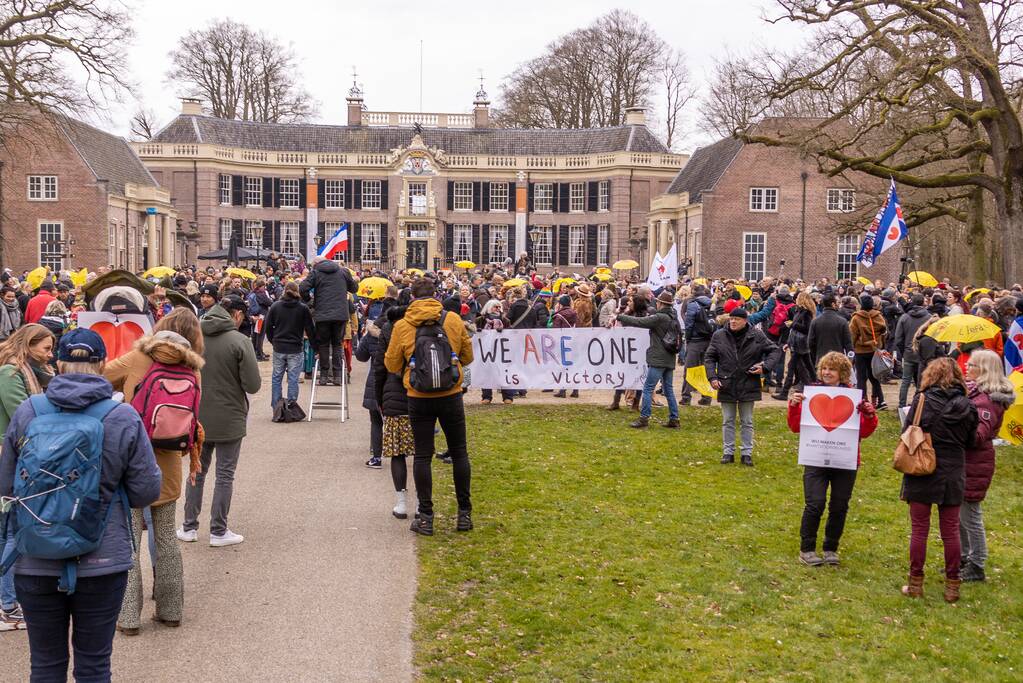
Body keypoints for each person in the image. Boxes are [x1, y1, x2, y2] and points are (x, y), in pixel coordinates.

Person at [0, 329, 161, 680]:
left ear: (58, 362)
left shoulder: (30, 411)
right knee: (93, 663)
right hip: (101, 557)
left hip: (36, 557)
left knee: (45, 663)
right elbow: (146, 490)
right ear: (102, 364)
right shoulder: (122, 417)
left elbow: (6, 485)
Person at [103, 309, 204, 635]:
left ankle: (129, 617)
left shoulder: (138, 358)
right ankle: (171, 610)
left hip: (131, 460)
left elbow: (101, 375)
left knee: (128, 541)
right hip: (170, 461)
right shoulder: (193, 368)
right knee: (166, 539)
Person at [384, 278, 474, 536]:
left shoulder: (402, 325)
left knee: (423, 456)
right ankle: (464, 514)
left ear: (412, 297)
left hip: (418, 396)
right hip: (451, 394)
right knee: (459, 453)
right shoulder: (453, 320)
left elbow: (391, 364)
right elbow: (468, 356)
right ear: (436, 295)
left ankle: (426, 516)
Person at [179, 296, 261, 547]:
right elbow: (252, 385)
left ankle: (189, 526)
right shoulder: (239, 341)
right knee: (225, 475)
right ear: (236, 314)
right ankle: (218, 530)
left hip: (197, 413)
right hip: (230, 415)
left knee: (196, 472)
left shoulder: (193, 339)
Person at [787, 352, 878, 566]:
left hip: (845, 459)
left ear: (843, 373)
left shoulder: (854, 397)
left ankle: (831, 547)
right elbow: (794, 427)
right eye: (824, 368)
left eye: (832, 369)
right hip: (815, 457)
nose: (827, 372)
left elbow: (864, 433)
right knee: (815, 504)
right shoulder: (810, 394)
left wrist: (869, 415)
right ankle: (807, 548)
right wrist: (793, 406)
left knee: (839, 505)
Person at [900, 358, 978, 602]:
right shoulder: (968, 406)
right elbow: (971, 440)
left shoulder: (922, 400)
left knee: (920, 529)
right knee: (951, 531)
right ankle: (953, 586)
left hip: (922, 466)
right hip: (953, 470)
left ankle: (915, 583)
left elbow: (907, 431)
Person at [0, 324, 54, 631]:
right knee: (11, 532)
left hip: (15, 457)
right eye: (45, 348)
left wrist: (49, 371)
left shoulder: (28, 370)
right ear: (27, 344)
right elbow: (25, 416)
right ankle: (7, 604)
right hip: (10, 459)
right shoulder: (10, 374)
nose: (49, 354)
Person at [959, 349, 1014, 582]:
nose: (966, 368)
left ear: (984, 370)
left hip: (975, 462)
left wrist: (956, 427)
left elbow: (977, 436)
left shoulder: (985, 401)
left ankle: (977, 563)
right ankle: (964, 557)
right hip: (970, 461)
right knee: (961, 512)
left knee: (970, 514)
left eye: (972, 365)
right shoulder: (977, 395)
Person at [705, 307, 782, 466]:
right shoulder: (719, 335)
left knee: (747, 420)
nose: (733, 321)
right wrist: (712, 376)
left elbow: (774, 351)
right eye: (731, 318)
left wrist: (765, 367)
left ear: (745, 321)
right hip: (726, 382)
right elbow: (710, 357)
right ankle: (728, 452)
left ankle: (746, 453)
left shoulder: (756, 335)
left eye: (737, 319)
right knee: (728, 419)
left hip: (748, 382)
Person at [373, 305, 416, 518]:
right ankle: (421, 503)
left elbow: (380, 366)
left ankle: (401, 502)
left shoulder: (389, 329)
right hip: (420, 391)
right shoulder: (420, 326)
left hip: (393, 392)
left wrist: (379, 395)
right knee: (421, 453)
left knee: (397, 452)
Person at [616, 290, 679, 429]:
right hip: (669, 357)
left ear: (661, 303)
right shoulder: (674, 317)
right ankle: (674, 418)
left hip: (658, 358)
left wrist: (621, 317)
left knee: (647, 388)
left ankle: (644, 418)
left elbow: (639, 321)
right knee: (668, 389)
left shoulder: (660, 317)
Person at [300, 255, 358, 386]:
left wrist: (310, 302)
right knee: (337, 344)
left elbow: (303, 288)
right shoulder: (343, 271)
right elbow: (354, 289)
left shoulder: (316, 272)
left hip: (322, 314)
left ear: (315, 264)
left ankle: (324, 376)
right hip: (340, 314)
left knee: (324, 344)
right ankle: (337, 376)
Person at [265, 282, 314, 413]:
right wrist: (316, 347)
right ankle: (291, 406)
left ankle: (276, 406)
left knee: (277, 377)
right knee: (293, 379)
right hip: (295, 347)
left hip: (279, 346)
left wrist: (273, 340)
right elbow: (310, 329)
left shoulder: (275, 306)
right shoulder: (303, 308)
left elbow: (268, 326)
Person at [774, 291, 817, 401]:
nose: (795, 299)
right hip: (797, 343)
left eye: (797, 297)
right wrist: (788, 343)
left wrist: (792, 324)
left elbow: (806, 328)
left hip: (800, 344)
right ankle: (814, 386)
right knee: (808, 367)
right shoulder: (800, 311)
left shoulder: (806, 313)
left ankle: (784, 392)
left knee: (792, 367)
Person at [849, 294, 888, 410]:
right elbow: (884, 332)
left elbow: (852, 335)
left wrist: (854, 345)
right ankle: (880, 401)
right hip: (874, 350)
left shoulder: (856, 318)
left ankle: (863, 400)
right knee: (874, 376)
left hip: (861, 351)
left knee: (861, 377)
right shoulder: (879, 317)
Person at [893, 294, 932, 408]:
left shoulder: (904, 317)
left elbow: (898, 338)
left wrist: (904, 350)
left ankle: (901, 406)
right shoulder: (929, 318)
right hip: (923, 354)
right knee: (920, 382)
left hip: (909, 352)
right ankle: (918, 406)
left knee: (905, 381)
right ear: (923, 303)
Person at [551, 296, 579, 399]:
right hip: (573, 342)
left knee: (562, 366)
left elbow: (555, 331)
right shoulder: (574, 313)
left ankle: (562, 390)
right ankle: (576, 390)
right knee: (573, 366)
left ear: (561, 304)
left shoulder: (559, 316)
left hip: (562, 343)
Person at [247, 278, 273, 361]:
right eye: (263, 286)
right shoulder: (261, 294)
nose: (264, 288)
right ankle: (259, 354)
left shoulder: (253, 293)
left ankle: (256, 352)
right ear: (260, 286)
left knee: (255, 334)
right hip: (261, 316)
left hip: (255, 316)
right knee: (260, 336)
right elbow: (269, 303)